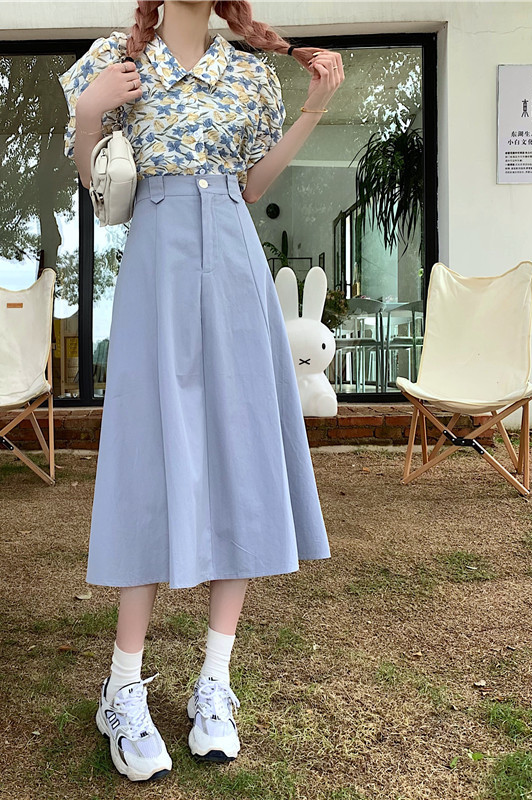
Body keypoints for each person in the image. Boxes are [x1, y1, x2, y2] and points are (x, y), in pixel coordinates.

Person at [57, 0, 344, 783]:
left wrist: (314, 109)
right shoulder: (115, 58)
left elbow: (251, 186)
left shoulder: (250, 76)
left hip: (236, 267)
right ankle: (122, 688)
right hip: (157, 268)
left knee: (240, 454)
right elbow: (95, 186)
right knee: (148, 460)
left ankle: (214, 681)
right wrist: (88, 113)